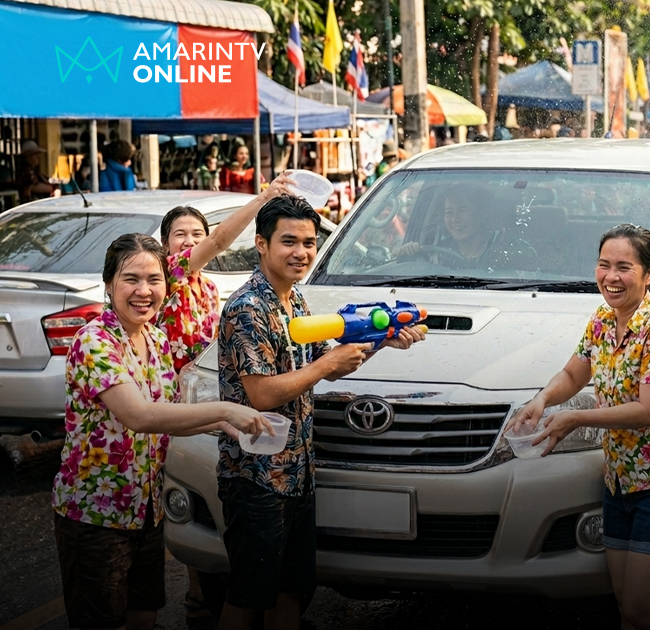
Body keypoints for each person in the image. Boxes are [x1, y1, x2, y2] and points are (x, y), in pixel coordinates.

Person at [216, 196, 426, 630]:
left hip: (297, 471)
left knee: (291, 592)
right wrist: (327, 364)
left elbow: (326, 365)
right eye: (289, 241)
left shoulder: (294, 302)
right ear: (261, 243)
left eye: (310, 243)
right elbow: (261, 394)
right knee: (248, 595)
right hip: (256, 477)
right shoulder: (247, 309)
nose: (302, 252)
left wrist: (382, 340)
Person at [53, 234, 271, 630]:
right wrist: (224, 409)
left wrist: (224, 424)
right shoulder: (95, 341)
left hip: (147, 508)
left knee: (143, 615)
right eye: (130, 279)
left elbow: (169, 412)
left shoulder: (155, 338)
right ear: (108, 285)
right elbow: (139, 416)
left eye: (154, 279)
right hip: (96, 513)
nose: (143, 291)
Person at [511, 224, 650, 630]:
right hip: (620, 483)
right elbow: (574, 374)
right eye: (604, 265)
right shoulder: (603, 319)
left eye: (624, 267)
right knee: (625, 607)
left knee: (643, 609)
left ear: (649, 274)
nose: (611, 277)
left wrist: (575, 418)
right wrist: (541, 401)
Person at [156, 172, 296, 615]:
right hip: (169, 409)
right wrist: (265, 198)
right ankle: (199, 591)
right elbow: (219, 242)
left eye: (196, 232)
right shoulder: (169, 277)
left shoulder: (207, 287)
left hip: (208, 403)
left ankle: (209, 587)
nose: (191, 241)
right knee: (179, 493)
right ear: (165, 246)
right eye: (181, 235)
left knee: (205, 492)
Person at [394, 185, 536, 269]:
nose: (455, 219)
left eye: (462, 210)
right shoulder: (435, 253)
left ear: (481, 213)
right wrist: (407, 252)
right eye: (449, 212)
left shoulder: (510, 250)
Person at [16, 139, 54, 204]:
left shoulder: (34, 170)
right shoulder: (26, 171)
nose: (38, 157)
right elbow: (34, 188)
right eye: (34, 154)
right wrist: (52, 188)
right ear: (27, 157)